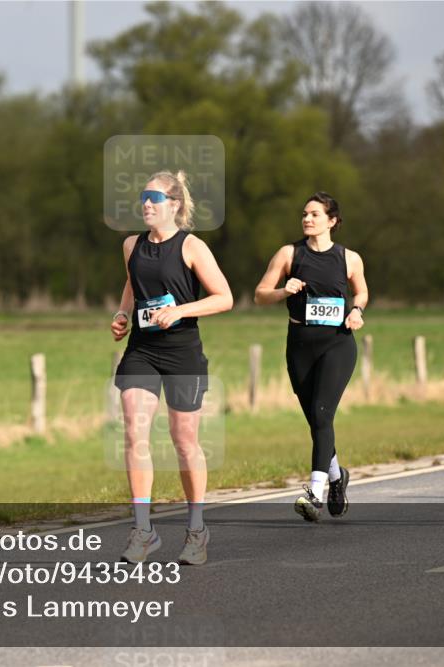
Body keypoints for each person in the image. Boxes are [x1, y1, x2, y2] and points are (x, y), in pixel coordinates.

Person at [111, 170, 233, 565]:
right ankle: (143, 530)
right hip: (142, 350)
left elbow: (224, 298)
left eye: (154, 197)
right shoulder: (132, 244)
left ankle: (196, 530)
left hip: (182, 353)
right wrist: (122, 313)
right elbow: (133, 283)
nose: (146, 203)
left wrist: (179, 310)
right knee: (134, 431)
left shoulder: (192, 246)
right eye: (143, 197)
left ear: (175, 205)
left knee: (185, 442)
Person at [254, 192, 368, 522]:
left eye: (315, 215)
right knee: (317, 421)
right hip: (300, 345)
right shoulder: (289, 254)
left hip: (338, 344)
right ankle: (336, 477)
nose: (307, 219)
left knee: (322, 413)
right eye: (304, 214)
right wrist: (283, 291)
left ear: (332, 221)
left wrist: (357, 310)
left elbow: (361, 290)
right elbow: (260, 295)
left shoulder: (350, 258)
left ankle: (314, 492)